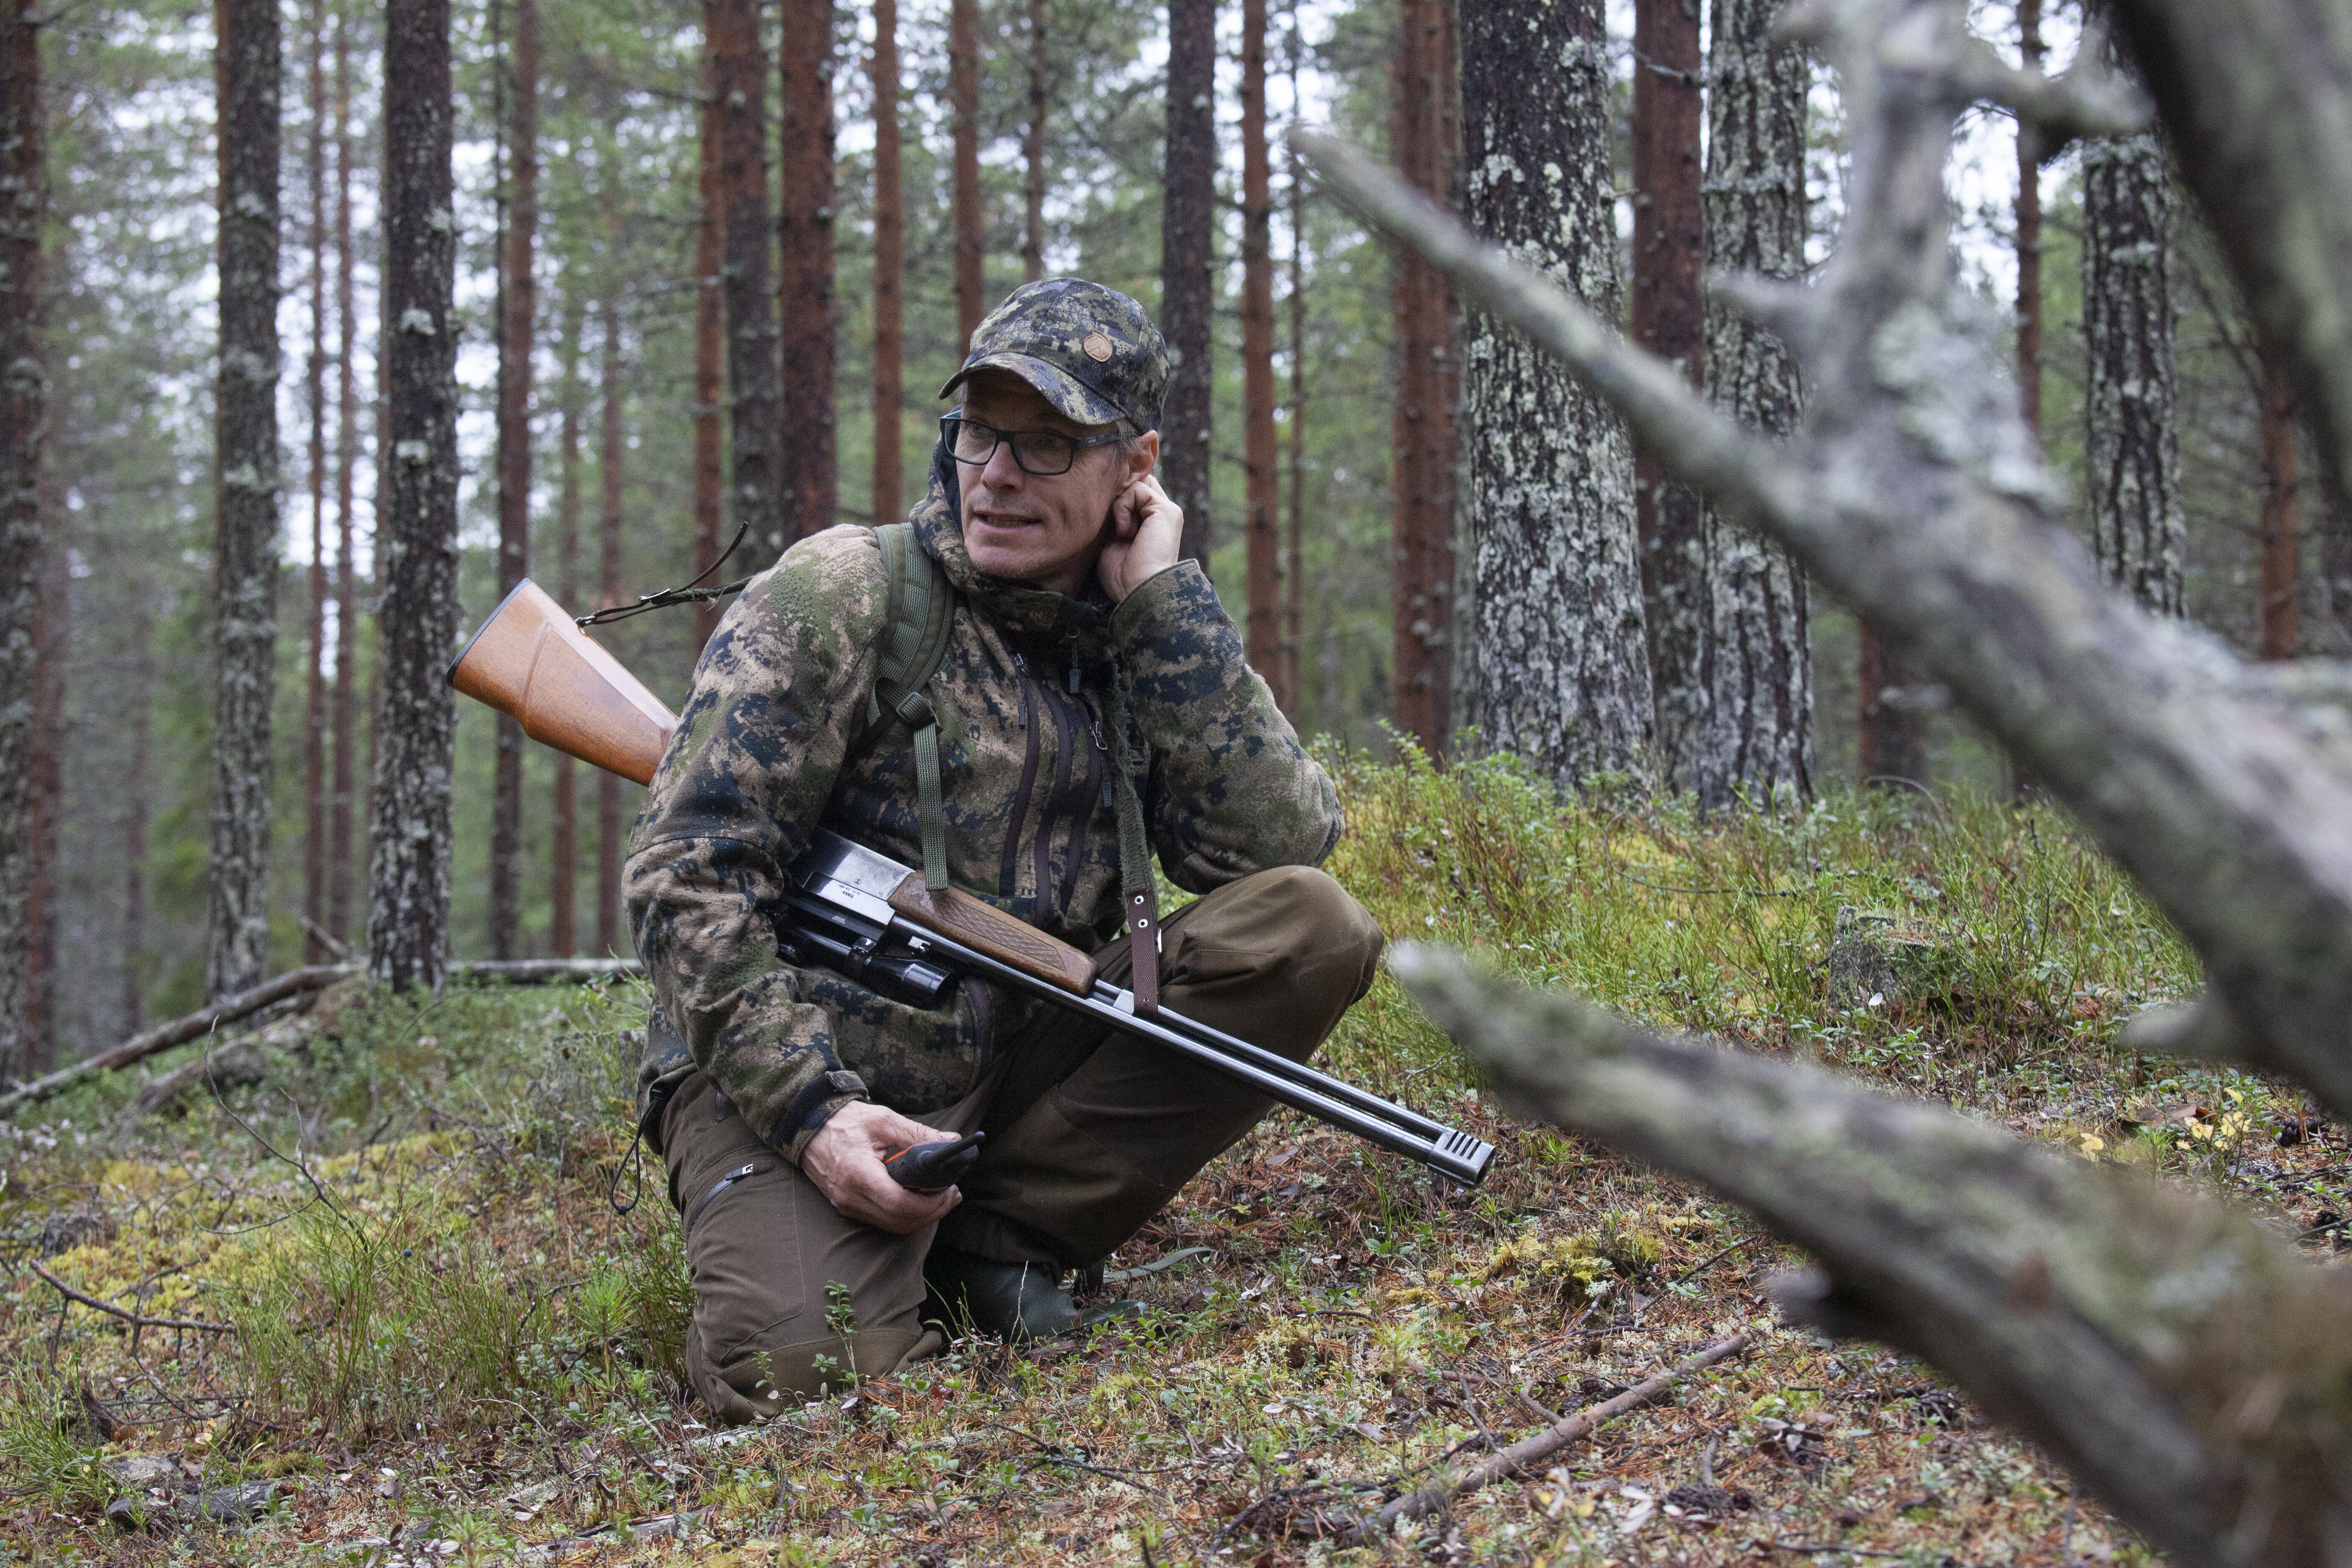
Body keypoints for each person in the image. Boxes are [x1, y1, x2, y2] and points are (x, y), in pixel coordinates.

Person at [624, 278, 1384, 1423]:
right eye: (980, 433)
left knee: (1310, 929)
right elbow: (685, 877)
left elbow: (1275, 849)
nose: (996, 475)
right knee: (802, 1377)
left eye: (1047, 445)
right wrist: (816, 1119)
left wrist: (1166, 610)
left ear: (1136, 465)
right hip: (794, 1067)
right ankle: (853, 1236)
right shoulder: (845, 594)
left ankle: (997, 1243)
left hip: (1023, 1053)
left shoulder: (1133, 630)